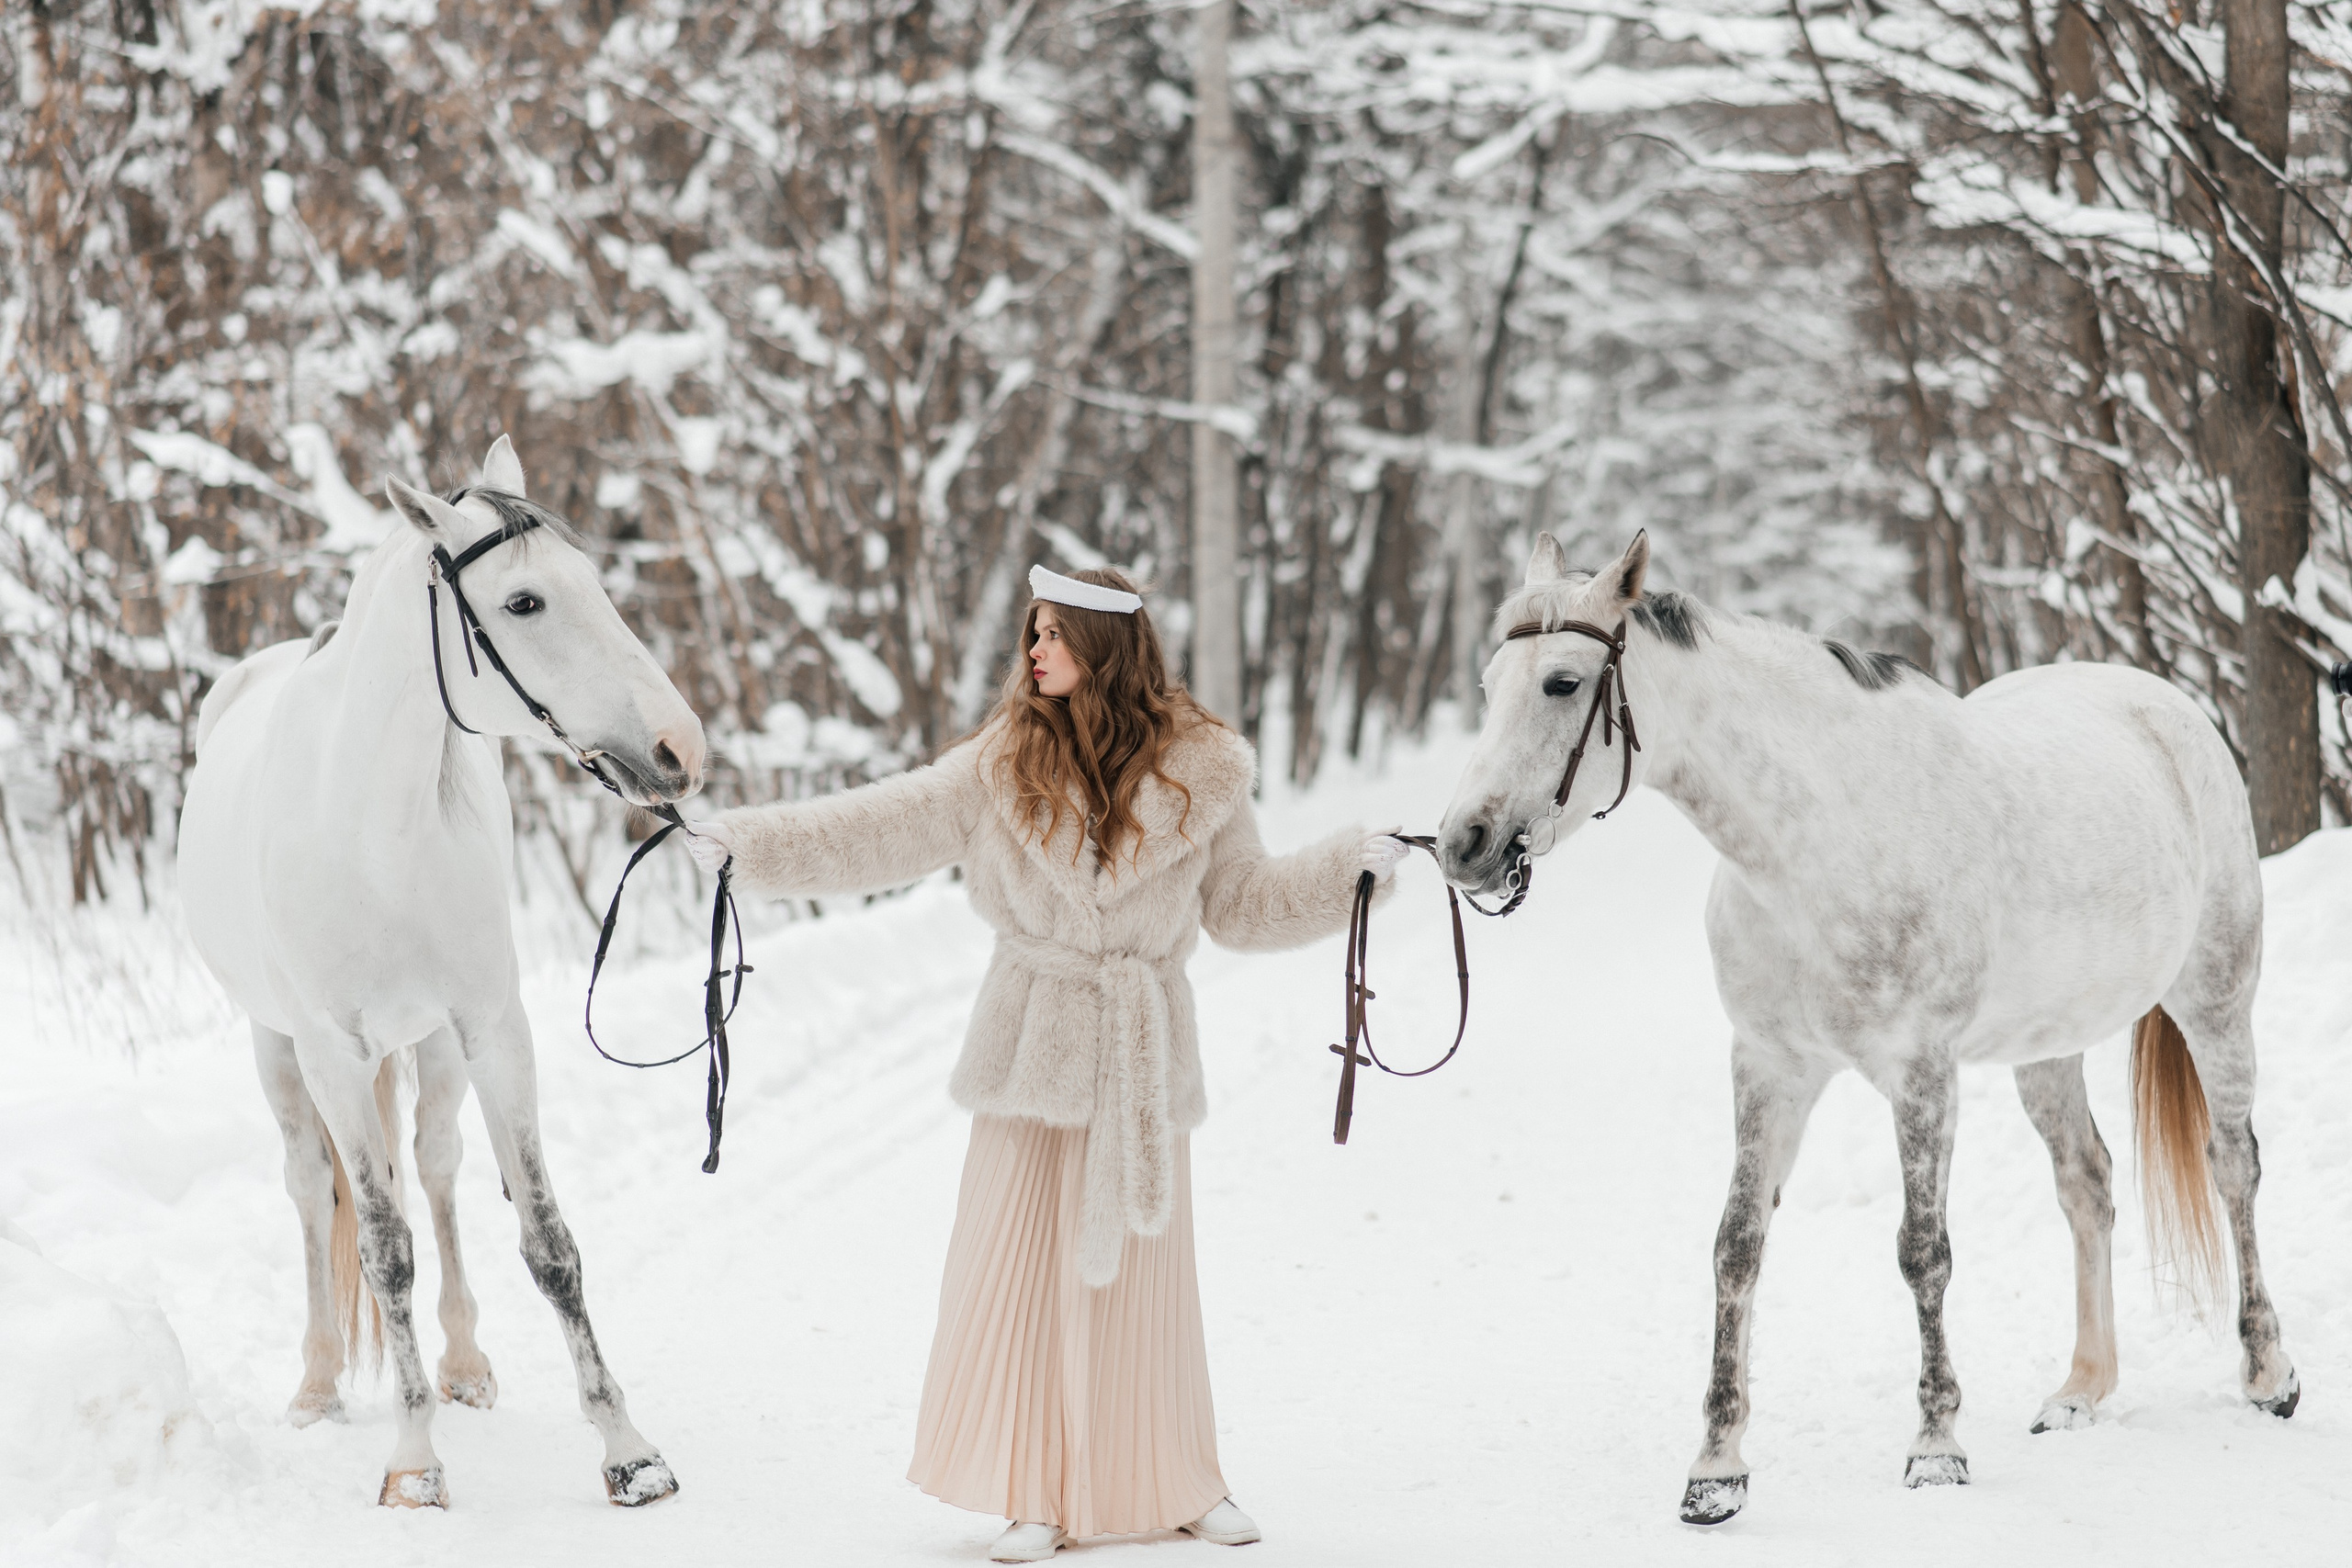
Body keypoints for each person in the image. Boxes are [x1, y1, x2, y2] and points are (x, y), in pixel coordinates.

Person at [684, 565, 1408, 1562]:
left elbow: (1243, 904)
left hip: (1142, 1057)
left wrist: (1345, 872)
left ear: (1103, 644)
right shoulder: (1002, 760)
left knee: (1147, 1290)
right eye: (1033, 631)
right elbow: (881, 826)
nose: (1034, 649)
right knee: (1024, 1277)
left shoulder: (1206, 766)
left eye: (1053, 633)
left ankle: (1182, 1480)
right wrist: (750, 846)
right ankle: (1036, 1492)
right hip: (1031, 1047)